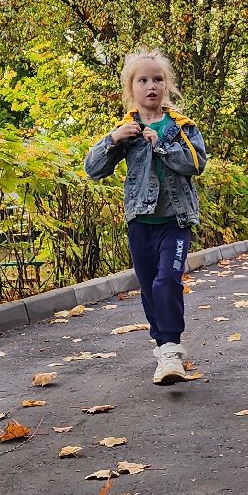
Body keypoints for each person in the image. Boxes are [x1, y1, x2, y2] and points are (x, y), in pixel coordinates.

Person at [84, 49, 209, 386]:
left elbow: (197, 164)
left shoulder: (181, 126)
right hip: (140, 222)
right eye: (143, 80)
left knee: (167, 280)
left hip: (176, 221)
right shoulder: (126, 129)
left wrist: (163, 146)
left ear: (166, 86)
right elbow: (93, 170)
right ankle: (163, 348)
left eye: (157, 79)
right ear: (131, 88)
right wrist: (112, 140)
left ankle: (171, 349)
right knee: (149, 289)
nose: (151, 86)